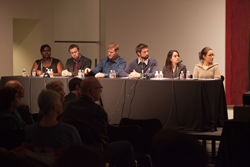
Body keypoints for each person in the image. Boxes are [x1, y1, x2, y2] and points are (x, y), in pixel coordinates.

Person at [61, 77, 136, 167]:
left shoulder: (69, 106)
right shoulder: (97, 111)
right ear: (93, 91)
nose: (101, 91)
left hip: (71, 151)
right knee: (126, 145)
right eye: (100, 88)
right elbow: (103, 140)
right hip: (93, 153)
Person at [13, 89, 82, 166]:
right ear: (55, 107)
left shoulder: (31, 130)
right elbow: (79, 155)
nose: (62, 104)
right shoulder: (69, 131)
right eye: (60, 102)